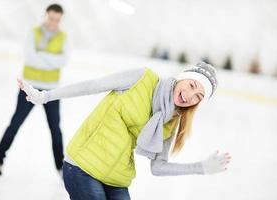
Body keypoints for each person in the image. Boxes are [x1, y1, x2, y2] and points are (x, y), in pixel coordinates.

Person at [19, 62, 231, 200]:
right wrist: (45, 96)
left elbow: (158, 167)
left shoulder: (171, 120)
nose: (190, 96)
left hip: (118, 178)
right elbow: (91, 86)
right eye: (192, 85)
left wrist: (200, 167)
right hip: (83, 166)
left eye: (198, 97)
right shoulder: (142, 78)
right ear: (182, 77)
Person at [0, 4, 68, 176]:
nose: (53, 23)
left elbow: (62, 61)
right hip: (29, 87)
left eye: (57, 20)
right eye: (51, 18)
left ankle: (60, 167)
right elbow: (30, 57)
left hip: (51, 91)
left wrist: (41, 56)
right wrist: (51, 59)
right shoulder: (33, 33)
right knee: (15, 123)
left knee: (55, 128)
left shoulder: (64, 37)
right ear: (45, 16)